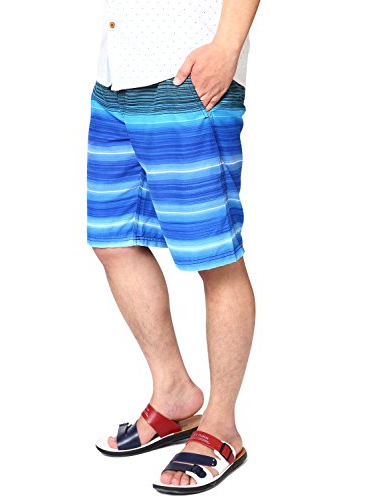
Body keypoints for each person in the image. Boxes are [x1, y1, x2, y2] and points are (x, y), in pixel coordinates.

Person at [87, 0, 260, 494]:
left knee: (215, 256)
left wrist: (226, 48)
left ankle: (222, 426)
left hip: (189, 78)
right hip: (116, 78)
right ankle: (174, 393)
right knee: (114, 239)